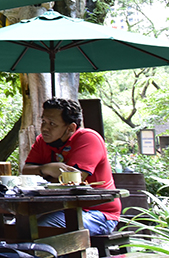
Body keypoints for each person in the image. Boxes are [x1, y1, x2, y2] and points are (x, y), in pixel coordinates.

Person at [22, 97, 120, 236]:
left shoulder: (88, 138)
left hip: (98, 213)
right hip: (56, 209)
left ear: (70, 128)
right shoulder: (42, 141)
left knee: (42, 227)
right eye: (43, 121)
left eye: (52, 124)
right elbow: (26, 172)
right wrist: (47, 169)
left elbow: (72, 181)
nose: (44, 128)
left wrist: (42, 174)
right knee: (16, 225)